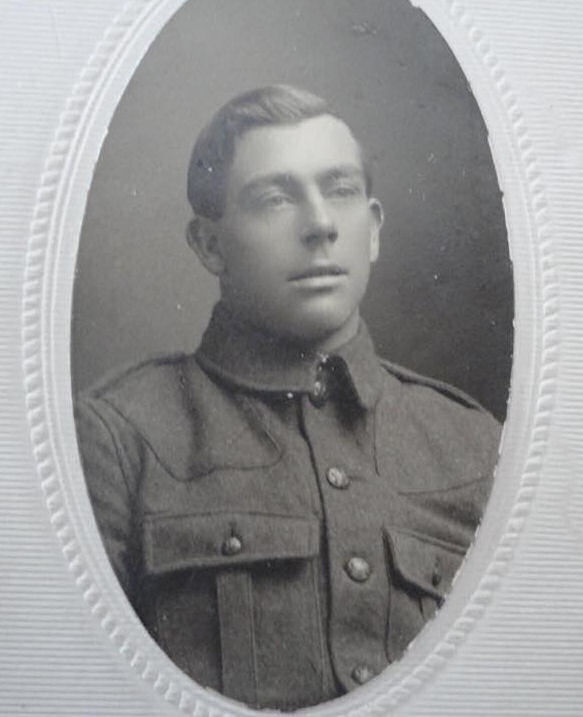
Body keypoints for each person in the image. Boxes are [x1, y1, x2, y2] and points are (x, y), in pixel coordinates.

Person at [75, 85, 500, 711]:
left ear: (372, 230)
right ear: (209, 244)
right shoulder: (119, 439)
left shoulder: (476, 447)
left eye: (340, 190)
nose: (320, 224)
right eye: (275, 198)